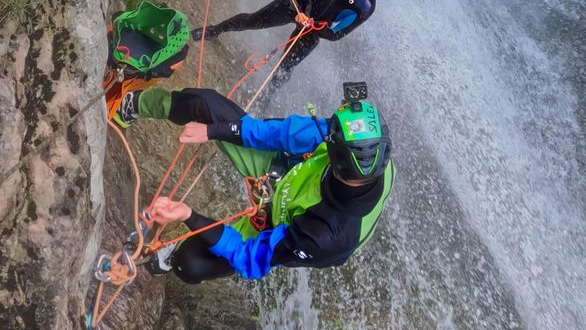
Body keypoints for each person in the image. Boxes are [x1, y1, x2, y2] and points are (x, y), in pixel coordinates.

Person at [114, 84, 394, 283]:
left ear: (337, 156)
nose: (327, 124)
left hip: (279, 223)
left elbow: (248, 256)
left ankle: (174, 250)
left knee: (190, 264)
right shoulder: (367, 155)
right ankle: (130, 104)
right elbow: (283, 133)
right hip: (287, 170)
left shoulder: (323, 238)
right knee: (203, 104)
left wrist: (190, 217)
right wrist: (214, 131)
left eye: (331, 129)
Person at [191, 0, 399, 80]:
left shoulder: (366, 6)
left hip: (316, 28)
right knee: (253, 20)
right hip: (302, 3)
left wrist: (312, 26)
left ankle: (263, 99)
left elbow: (337, 33)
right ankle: (213, 31)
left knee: (285, 68)